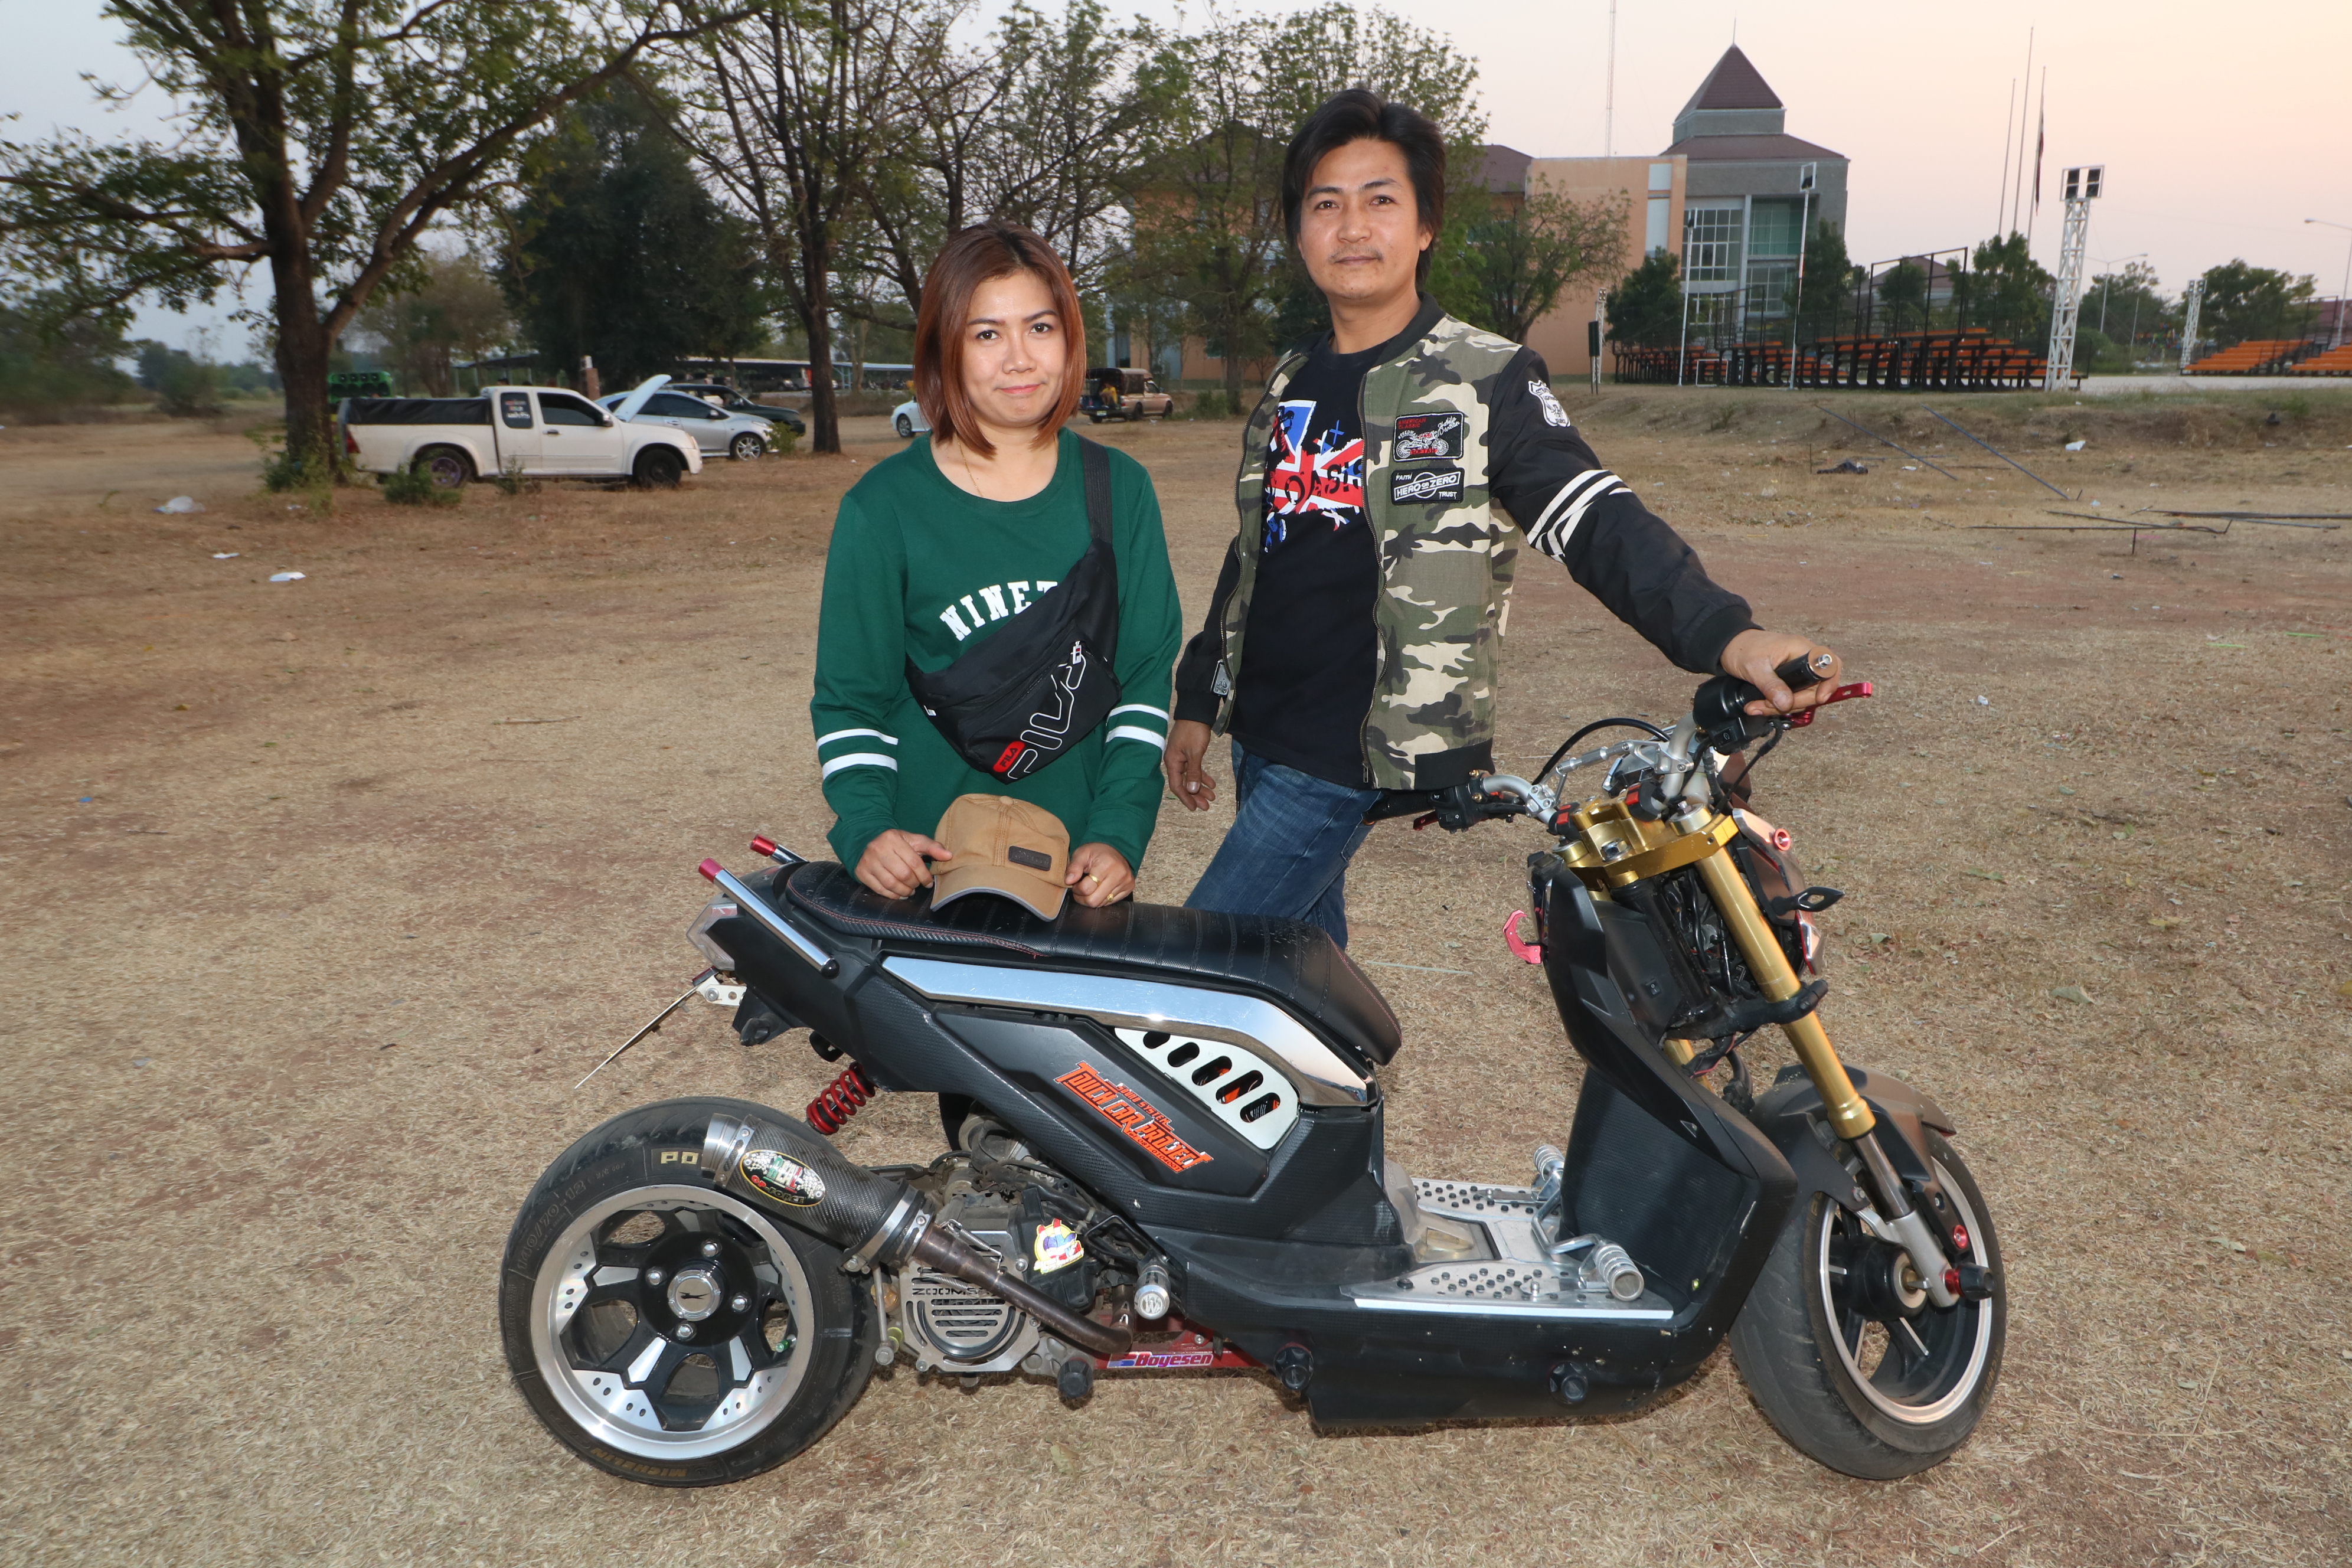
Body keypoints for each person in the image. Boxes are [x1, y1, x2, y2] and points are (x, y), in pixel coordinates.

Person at [1165, 89, 1842, 948]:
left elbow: (1591, 515)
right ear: (1299, 230)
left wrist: (1726, 635)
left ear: (1426, 226)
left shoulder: (1486, 379)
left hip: (1350, 749)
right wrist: (1201, 697)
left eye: (1381, 200)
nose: (1352, 227)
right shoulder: (1291, 379)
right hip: (1263, 731)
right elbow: (1257, 547)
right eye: (1325, 204)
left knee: (1203, 961)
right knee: (1296, 979)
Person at [812, 220, 1182, 908]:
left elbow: (1142, 685)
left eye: (1040, 328)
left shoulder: (1120, 490)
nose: (1019, 359)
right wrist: (869, 829)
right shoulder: (883, 506)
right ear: (944, 349)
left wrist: (1117, 833)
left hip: (1073, 877)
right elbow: (850, 700)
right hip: (924, 874)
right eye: (986, 334)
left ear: (1070, 338)